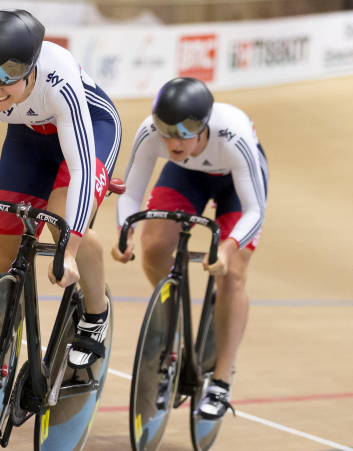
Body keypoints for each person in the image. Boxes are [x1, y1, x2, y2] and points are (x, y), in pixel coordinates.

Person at [0, 10, 121, 368]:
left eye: (6, 78)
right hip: (28, 136)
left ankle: (96, 315)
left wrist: (68, 250)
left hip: (91, 130)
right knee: (3, 239)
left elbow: (79, 167)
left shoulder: (58, 77)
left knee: (61, 217)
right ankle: (2, 342)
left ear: (32, 68)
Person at [112, 77, 268, 420]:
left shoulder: (233, 136)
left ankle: (221, 382)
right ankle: (172, 323)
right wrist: (126, 231)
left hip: (235, 184)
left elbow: (255, 210)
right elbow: (132, 195)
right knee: (154, 247)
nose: (173, 141)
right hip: (187, 176)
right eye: (166, 132)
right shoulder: (152, 134)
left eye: (183, 133)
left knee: (232, 275)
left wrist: (227, 248)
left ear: (204, 127)